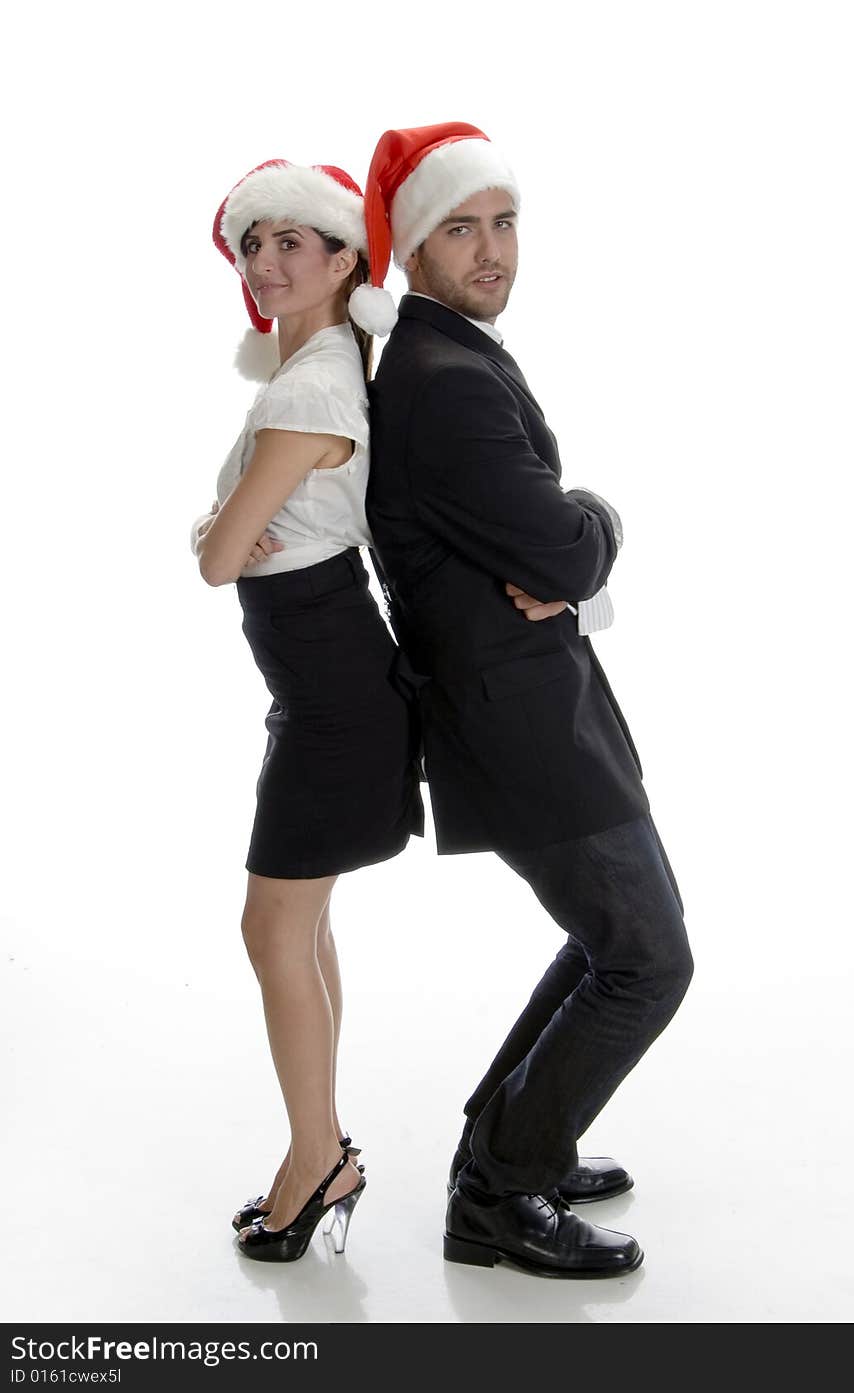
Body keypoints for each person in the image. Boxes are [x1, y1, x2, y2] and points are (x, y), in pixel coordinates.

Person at [358, 123, 694, 1279]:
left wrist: (564, 555)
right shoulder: (442, 380)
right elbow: (559, 551)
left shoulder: (445, 349)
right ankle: (497, 1198)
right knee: (647, 958)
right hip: (516, 720)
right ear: (412, 246)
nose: (493, 251)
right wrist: (596, 514)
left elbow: (545, 563)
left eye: (504, 223)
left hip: (535, 703)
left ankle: (510, 1144)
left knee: (613, 938)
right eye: (462, 228)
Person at [191, 159, 423, 1263]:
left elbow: (218, 554)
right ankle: (320, 1146)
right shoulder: (306, 373)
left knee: (271, 927)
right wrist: (224, 530)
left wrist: (220, 533)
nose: (267, 263)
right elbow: (226, 537)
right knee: (301, 926)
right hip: (320, 689)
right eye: (252, 245)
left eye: (294, 243)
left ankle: (314, 1157)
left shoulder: (313, 388)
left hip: (335, 696)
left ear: (345, 259)